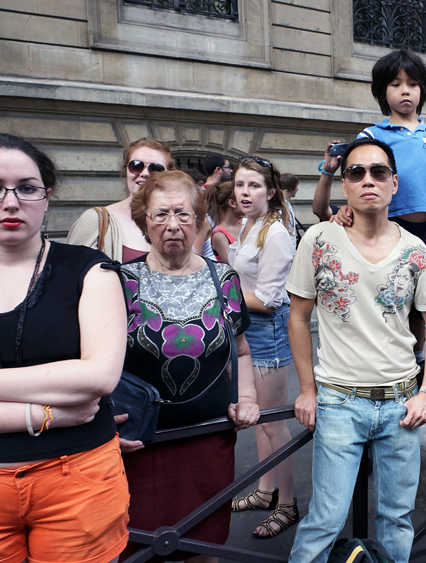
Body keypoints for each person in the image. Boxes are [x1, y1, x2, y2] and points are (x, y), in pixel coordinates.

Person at [286, 138, 426, 563]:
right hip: (339, 400)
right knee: (324, 519)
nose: (368, 180)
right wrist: (307, 389)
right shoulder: (320, 239)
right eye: (356, 172)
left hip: (402, 404)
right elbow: (298, 317)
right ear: (345, 185)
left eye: (378, 172)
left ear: (394, 183)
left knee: (397, 519)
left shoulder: (415, 249)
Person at [0, 134, 130, 563]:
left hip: (77, 479)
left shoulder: (88, 270)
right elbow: (76, 386)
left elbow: (98, 377)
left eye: (27, 187)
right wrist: (42, 414)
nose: (11, 201)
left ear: (46, 196)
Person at [118, 170, 260, 562]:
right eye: (160, 214)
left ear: (198, 221)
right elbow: (100, 360)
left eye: (183, 214)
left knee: (204, 540)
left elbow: (242, 350)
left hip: (207, 437)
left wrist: (246, 396)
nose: (172, 224)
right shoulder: (121, 281)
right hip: (141, 443)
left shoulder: (224, 278)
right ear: (144, 222)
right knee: (138, 545)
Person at [227, 155, 299, 538]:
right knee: (257, 419)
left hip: (266, 331)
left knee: (273, 423)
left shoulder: (276, 234)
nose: (245, 192)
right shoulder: (250, 224)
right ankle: (265, 490)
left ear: (270, 192)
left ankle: (288, 504)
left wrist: (223, 295)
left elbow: (270, 299)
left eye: (254, 185)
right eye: (240, 184)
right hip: (247, 328)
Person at [67, 137, 174, 261]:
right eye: (136, 165)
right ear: (126, 169)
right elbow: (70, 272)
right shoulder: (95, 220)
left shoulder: (180, 222)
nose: (144, 173)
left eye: (155, 168)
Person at [205, 181, 243, 264]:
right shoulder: (219, 235)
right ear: (232, 203)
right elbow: (232, 265)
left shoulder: (243, 226)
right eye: (242, 201)